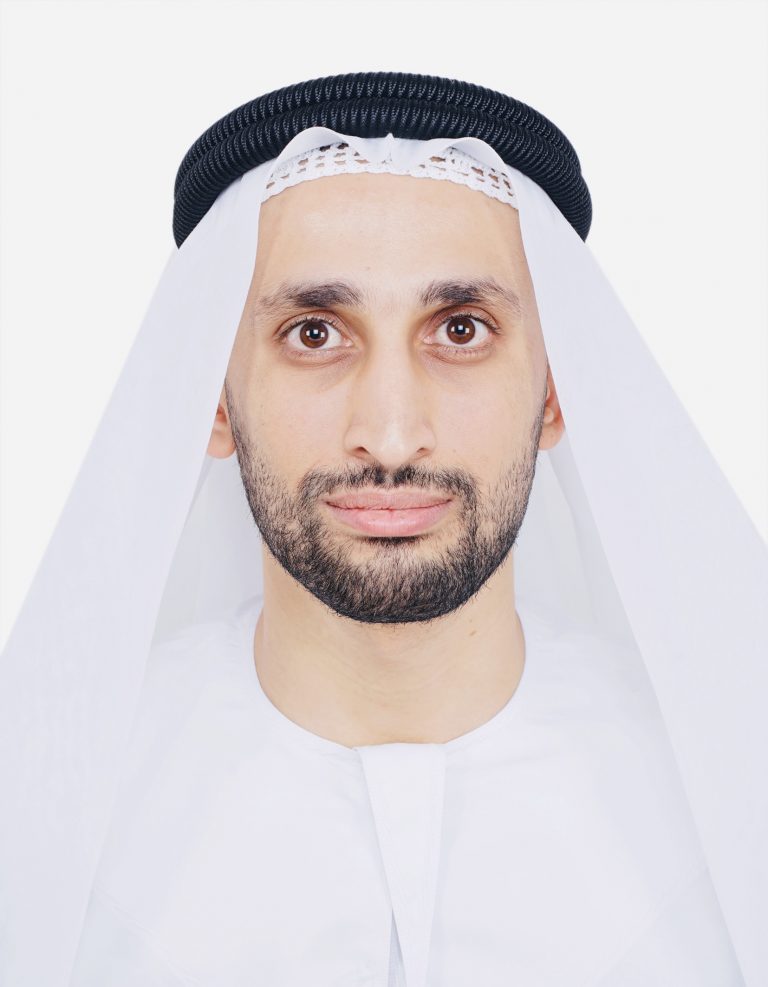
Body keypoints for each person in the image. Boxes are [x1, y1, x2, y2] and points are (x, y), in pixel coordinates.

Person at [1, 73, 765, 987]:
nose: (392, 434)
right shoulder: (42, 817)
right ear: (212, 394)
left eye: (462, 329)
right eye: (315, 334)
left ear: (557, 391)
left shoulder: (731, 799)